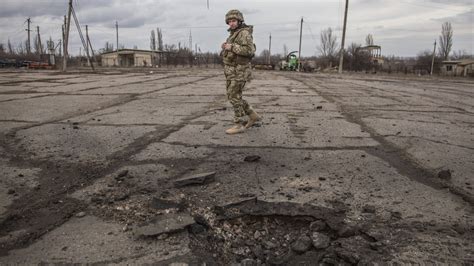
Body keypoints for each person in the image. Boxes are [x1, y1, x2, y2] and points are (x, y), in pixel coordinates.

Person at [221, 9, 260, 135]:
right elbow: (234, 50)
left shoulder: (244, 33)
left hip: (240, 71)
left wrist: (231, 47)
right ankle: (252, 115)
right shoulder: (234, 34)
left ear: (239, 21)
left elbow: (250, 51)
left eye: (233, 21)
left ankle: (239, 124)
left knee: (233, 96)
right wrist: (226, 47)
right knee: (234, 96)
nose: (231, 23)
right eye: (229, 21)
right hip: (232, 71)